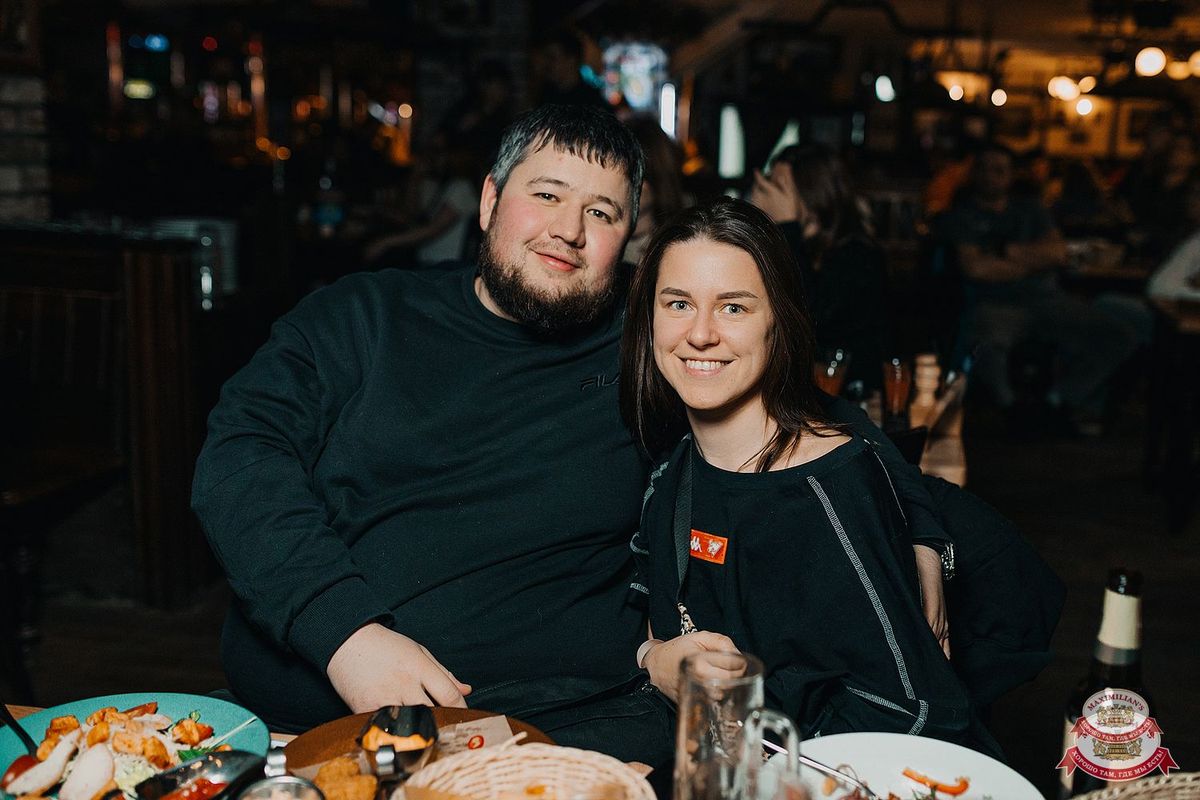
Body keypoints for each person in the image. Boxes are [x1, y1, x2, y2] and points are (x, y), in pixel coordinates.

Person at [192, 105, 951, 763]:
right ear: (489, 200)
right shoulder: (362, 316)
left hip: (566, 725)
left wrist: (917, 525)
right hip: (318, 718)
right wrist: (346, 636)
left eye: (602, 212)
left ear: (628, 237)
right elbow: (239, 458)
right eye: (547, 194)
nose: (568, 231)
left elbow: (815, 415)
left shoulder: (646, 341)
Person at [619, 197, 999, 754]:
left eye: (733, 308)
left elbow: (918, 713)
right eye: (678, 303)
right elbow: (646, 611)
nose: (700, 334)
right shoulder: (673, 472)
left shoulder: (831, 491)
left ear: (779, 323)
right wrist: (653, 658)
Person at [933, 143, 1139, 429]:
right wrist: (1033, 261)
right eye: (984, 169)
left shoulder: (1030, 209)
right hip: (994, 303)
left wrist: (1004, 251)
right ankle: (1012, 408)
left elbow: (1057, 252)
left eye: (999, 170)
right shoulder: (961, 215)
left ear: (1011, 175)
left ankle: (1058, 401)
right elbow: (976, 268)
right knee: (983, 344)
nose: (990, 177)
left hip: (1048, 300)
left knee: (1118, 335)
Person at [750, 144, 890, 393]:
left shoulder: (859, 253)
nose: (772, 194)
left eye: (781, 186)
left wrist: (787, 226)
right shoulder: (786, 243)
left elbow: (811, 315)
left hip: (849, 393)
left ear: (812, 192)